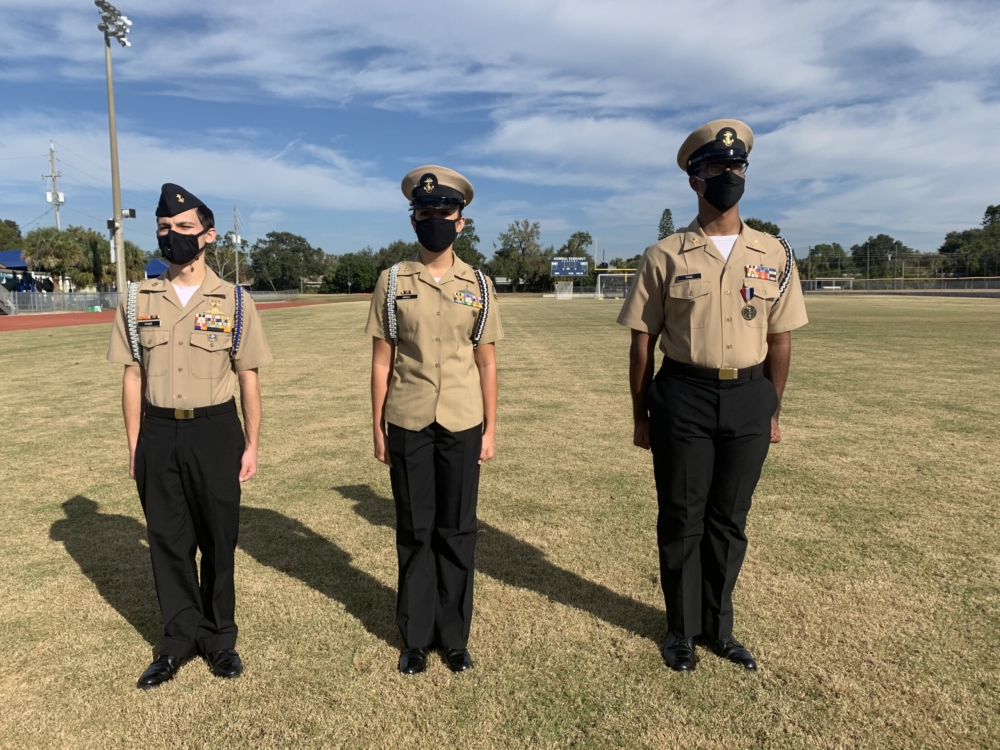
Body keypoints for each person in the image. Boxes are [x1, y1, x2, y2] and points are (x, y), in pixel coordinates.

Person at [617, 120, 808, 672]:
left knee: (730, 519)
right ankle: (680, 630)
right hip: (683, 395)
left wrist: (773, 406)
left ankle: (718, 628)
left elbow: (781, 338)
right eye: (717, 169)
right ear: (694, 180)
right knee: (682, 516)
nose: (729, 176)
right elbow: (642, 343)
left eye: (737, 167)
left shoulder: (774, 253)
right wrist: (640, 414)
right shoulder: (665, 256)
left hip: (750, 396)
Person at [107, 183, 273, 689]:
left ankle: (220, 638)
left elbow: (248, 376)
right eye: (164, 228)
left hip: (215, 430)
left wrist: (253, 442)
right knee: (168, 540)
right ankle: (178, 640)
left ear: (207, 234)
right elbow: (132, 376)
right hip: (158, 431)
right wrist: (136, 445)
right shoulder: (137, 298)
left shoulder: (236, 301)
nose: (172, 236)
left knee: (219, 541)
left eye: (183, 227)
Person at [366, 165, 503, 675]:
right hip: (408, 419)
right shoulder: (392, 281)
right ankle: (416, 636)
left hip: (463, 421)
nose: (433, 220)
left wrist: (491, 427)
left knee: (458, 529)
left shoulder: (481, 286)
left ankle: (455, 636)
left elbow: (486, 361)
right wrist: (377, 426)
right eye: (424, 212)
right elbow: (382, 360)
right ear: (413, 218)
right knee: (415, 529)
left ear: (460, 221)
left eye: (443, 212)